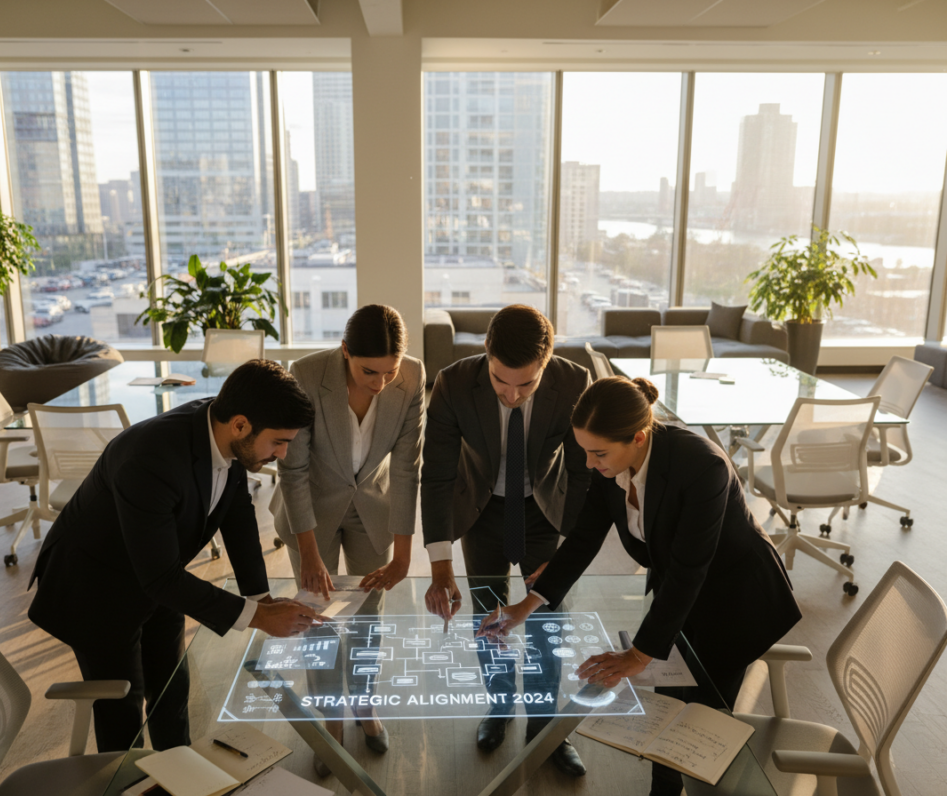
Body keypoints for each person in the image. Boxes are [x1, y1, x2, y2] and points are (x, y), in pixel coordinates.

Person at [478, 375, 802, 796]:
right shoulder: (611, 461)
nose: (590, 464)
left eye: (598, 453)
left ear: (638, 437)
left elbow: (690, 569)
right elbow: (583, 538)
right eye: (586, 452)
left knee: (702, 727)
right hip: (678, 593)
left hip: (735, 600)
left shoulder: (703, 465)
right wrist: (526, 605)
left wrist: (638, 654)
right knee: (666, 713)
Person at [28, 359, 325, 753]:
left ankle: (180, 773)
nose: (284, 455)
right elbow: (161, 577)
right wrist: (259, 618)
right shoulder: (150, 458)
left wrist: (260, 598)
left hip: (157, 574)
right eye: (279, 442)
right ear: (240, 425)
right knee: (122, 706)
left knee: (171, 688)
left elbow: (237, 515)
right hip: (95, 588)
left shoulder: (224, 434)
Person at [421, 304, 592, 777]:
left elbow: (583, 477)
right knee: (488, 613)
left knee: (547, 619)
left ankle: (544, 729)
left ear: (548, 364)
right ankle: (498, 709)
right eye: (500, 381)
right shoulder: (453, 383)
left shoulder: (575, 383)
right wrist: (440, 563)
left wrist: (568, 551)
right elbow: (435, 475)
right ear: (486, 354)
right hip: (481, 510)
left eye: (527, 384)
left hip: (544, 510)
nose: (512, 395)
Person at [270, 304, 425, 767]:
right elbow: (292, 470)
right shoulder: (305, 373)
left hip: (371, 507)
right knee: (315, 614)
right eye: (368, 371)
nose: (380, 383)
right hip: (310, 510)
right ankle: (330, 719)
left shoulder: (413, 377)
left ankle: (363, 702)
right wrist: (310, 553)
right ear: (344, 353)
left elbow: (405, 466)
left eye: (389, 371)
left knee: (366, 616)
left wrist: (402, 553)